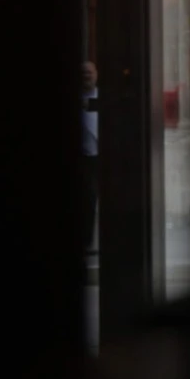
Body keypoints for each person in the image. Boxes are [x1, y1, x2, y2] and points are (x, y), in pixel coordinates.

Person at [80, 61, 99, 253]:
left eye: (90, 72)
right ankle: (87, 243)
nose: (87, 76)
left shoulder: (102, 97)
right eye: (84, 73)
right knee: (88, 201)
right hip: (85, 158)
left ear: (96, 74)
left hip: (103, 157)